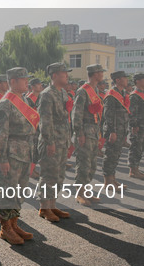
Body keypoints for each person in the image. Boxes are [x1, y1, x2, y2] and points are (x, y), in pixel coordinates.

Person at [0, 67, 37, 245]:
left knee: (21, 190)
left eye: (27, 78)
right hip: (11, 154)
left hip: (25, 151)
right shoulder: (6, 103)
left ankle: (14, 222)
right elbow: (0, 134)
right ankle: (5, 227)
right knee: (8, 191)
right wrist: (1, 159)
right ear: (12, 82)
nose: (27, 81)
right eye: (22, 79)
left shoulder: (23, 100)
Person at [37, 62, 72, 222]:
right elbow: (45, 121)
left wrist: (68, 140)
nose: (67, 75)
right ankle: (44, 208)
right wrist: (49, 142)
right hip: (51, 141)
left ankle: (52, 204)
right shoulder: (47, 94)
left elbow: (65, 119)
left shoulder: (62, 93)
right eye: (64, 73)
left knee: (59, 175)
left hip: (62, 139)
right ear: (54, 76)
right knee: (49, 175)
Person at [72, 64, 106, 206]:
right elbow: (76, 114)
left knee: (92, 164)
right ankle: (79, 193)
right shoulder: (83, 91)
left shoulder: (95, 90)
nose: (102, 75)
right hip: (85, 132)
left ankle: (85, 190)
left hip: (93, 131)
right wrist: (79, 133)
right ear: (94, 74)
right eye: (100, 72)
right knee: (84, 164)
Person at [102, 71, 130, 191]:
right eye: (124, 78)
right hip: (113, 130)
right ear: (118, 80)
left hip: (121, 129)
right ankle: (107, 182)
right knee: (110, 155)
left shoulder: (122, 93)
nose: (126, 80)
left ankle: (112, 179)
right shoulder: (111, 94)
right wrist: (112, 131)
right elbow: (108, 114)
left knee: (116, 155)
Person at [128, 73, 144, 180]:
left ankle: (136, 168)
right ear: (138, 81)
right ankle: (133, 170)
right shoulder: (134, 95)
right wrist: (134, 125)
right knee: (136, 147)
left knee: (140, 148)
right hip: (138, 125)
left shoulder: (142, 93)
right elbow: (132, 112)